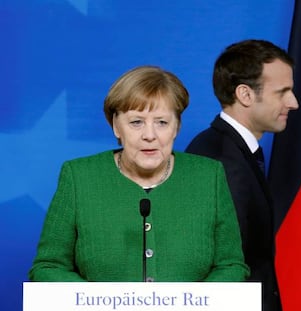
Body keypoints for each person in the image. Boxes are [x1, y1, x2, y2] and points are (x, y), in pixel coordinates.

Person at [29, 65, 249, 282]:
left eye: (162, 122)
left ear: (177, 127)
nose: (149, 135)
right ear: (116, 126)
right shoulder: (78, 177)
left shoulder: (208, 176)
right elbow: (48, 267)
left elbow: (231, 265)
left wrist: (190, 303)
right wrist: (99, 303)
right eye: (136, 122)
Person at [185, 39, 299, 310]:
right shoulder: (224, 161)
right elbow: (223, 270)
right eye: (282, 92)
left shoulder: (222, 147)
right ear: (245, 95)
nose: (293, 103)